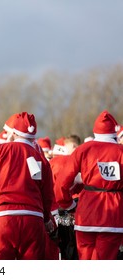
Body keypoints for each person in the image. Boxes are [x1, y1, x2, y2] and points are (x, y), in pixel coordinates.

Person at [0, 112, 54, 260]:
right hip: (33, 220)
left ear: (14, 133)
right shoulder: (40, 158)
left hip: (2, 219)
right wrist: (46, 218)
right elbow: (47, 194)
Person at [55, 110, 123, 260]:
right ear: (114, 131)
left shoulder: (83, 150)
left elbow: (61, 183)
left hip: (86, 214)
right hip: (113, 216)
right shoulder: (120, 151)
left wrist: (68, 205)